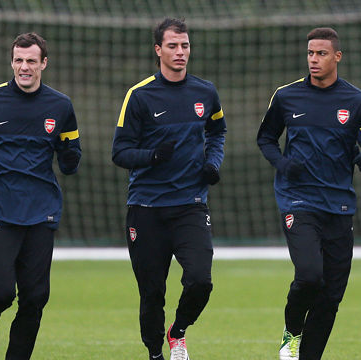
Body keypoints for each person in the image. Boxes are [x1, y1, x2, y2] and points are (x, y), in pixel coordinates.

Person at [0, 32, 81, 360]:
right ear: (12, 62)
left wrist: (69, 153)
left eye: (31, 61)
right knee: (2, 292)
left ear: (44, 64)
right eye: (19, 60)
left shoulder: (61, 106)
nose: (24, 67)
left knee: (36, 297)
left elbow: (71, 159)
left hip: (41, 211)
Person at [257, 27, 361, 360]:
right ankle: (291, 333)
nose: (314, 59)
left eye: (322, 53)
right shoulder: (286, 96)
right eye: (311, 53)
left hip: (340, 205)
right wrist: (283, 165)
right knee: (310, 275)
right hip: (297, 200)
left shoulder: (358, 102)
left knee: (332, 296)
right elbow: (266, 139)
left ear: (337, 56)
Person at [111, 18, 226, 360]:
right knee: (152, 293)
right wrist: (152, 156)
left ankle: (177, 332)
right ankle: (155, 354)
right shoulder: (140, 95)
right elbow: (119, 153)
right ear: (158, 50)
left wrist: (213, 164)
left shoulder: (206, 92)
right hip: (146, 208)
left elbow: (217, 133)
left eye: (185, 45)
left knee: (200, 281)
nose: (180, 52)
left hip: (190, 204)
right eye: (173, 46)